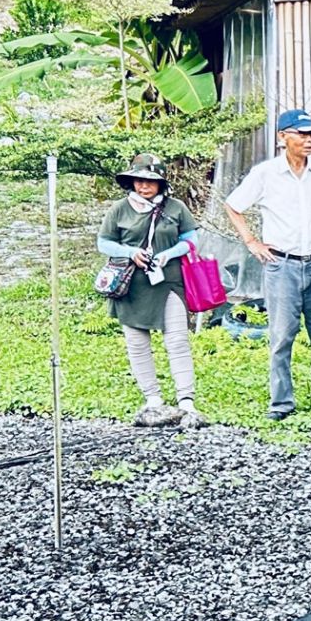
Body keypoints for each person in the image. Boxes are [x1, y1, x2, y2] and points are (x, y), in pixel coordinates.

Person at [225, 108, 311, 420]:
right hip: (281, 266)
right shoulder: (266, 173)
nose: (309, 140)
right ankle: (281, 403)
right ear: (283, 137)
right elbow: (233, 205)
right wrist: (251, 242)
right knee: (281, 335)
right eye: (302, 134)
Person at [98, 154, 204, 431]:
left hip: (170, 281)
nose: (144, 186)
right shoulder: (119, 210)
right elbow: (104, 243)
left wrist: (169, 255)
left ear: (161, 184)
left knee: (178, 340)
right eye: (140, 180)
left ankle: (186, 399)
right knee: (137, 344)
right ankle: (153, 398)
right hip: (131, 284)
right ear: (131, 181)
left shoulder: (176, 207)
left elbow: (191, 240)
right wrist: (130, 252)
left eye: (151, 181)